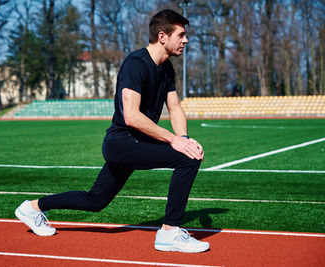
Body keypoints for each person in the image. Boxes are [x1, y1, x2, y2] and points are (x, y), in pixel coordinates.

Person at [15, 9, 209, 253]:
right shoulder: (136, 63)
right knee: (186, 159)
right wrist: (174, 141)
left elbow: (175, 108)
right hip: (122, 142)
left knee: (95, 201)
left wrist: (184, 138)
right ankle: (169, 233)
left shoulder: (167, 69)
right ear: (162, 36)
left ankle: (32, 208)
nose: (186, 40)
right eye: (181, 35)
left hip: (137, 143)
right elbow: (131, 116)